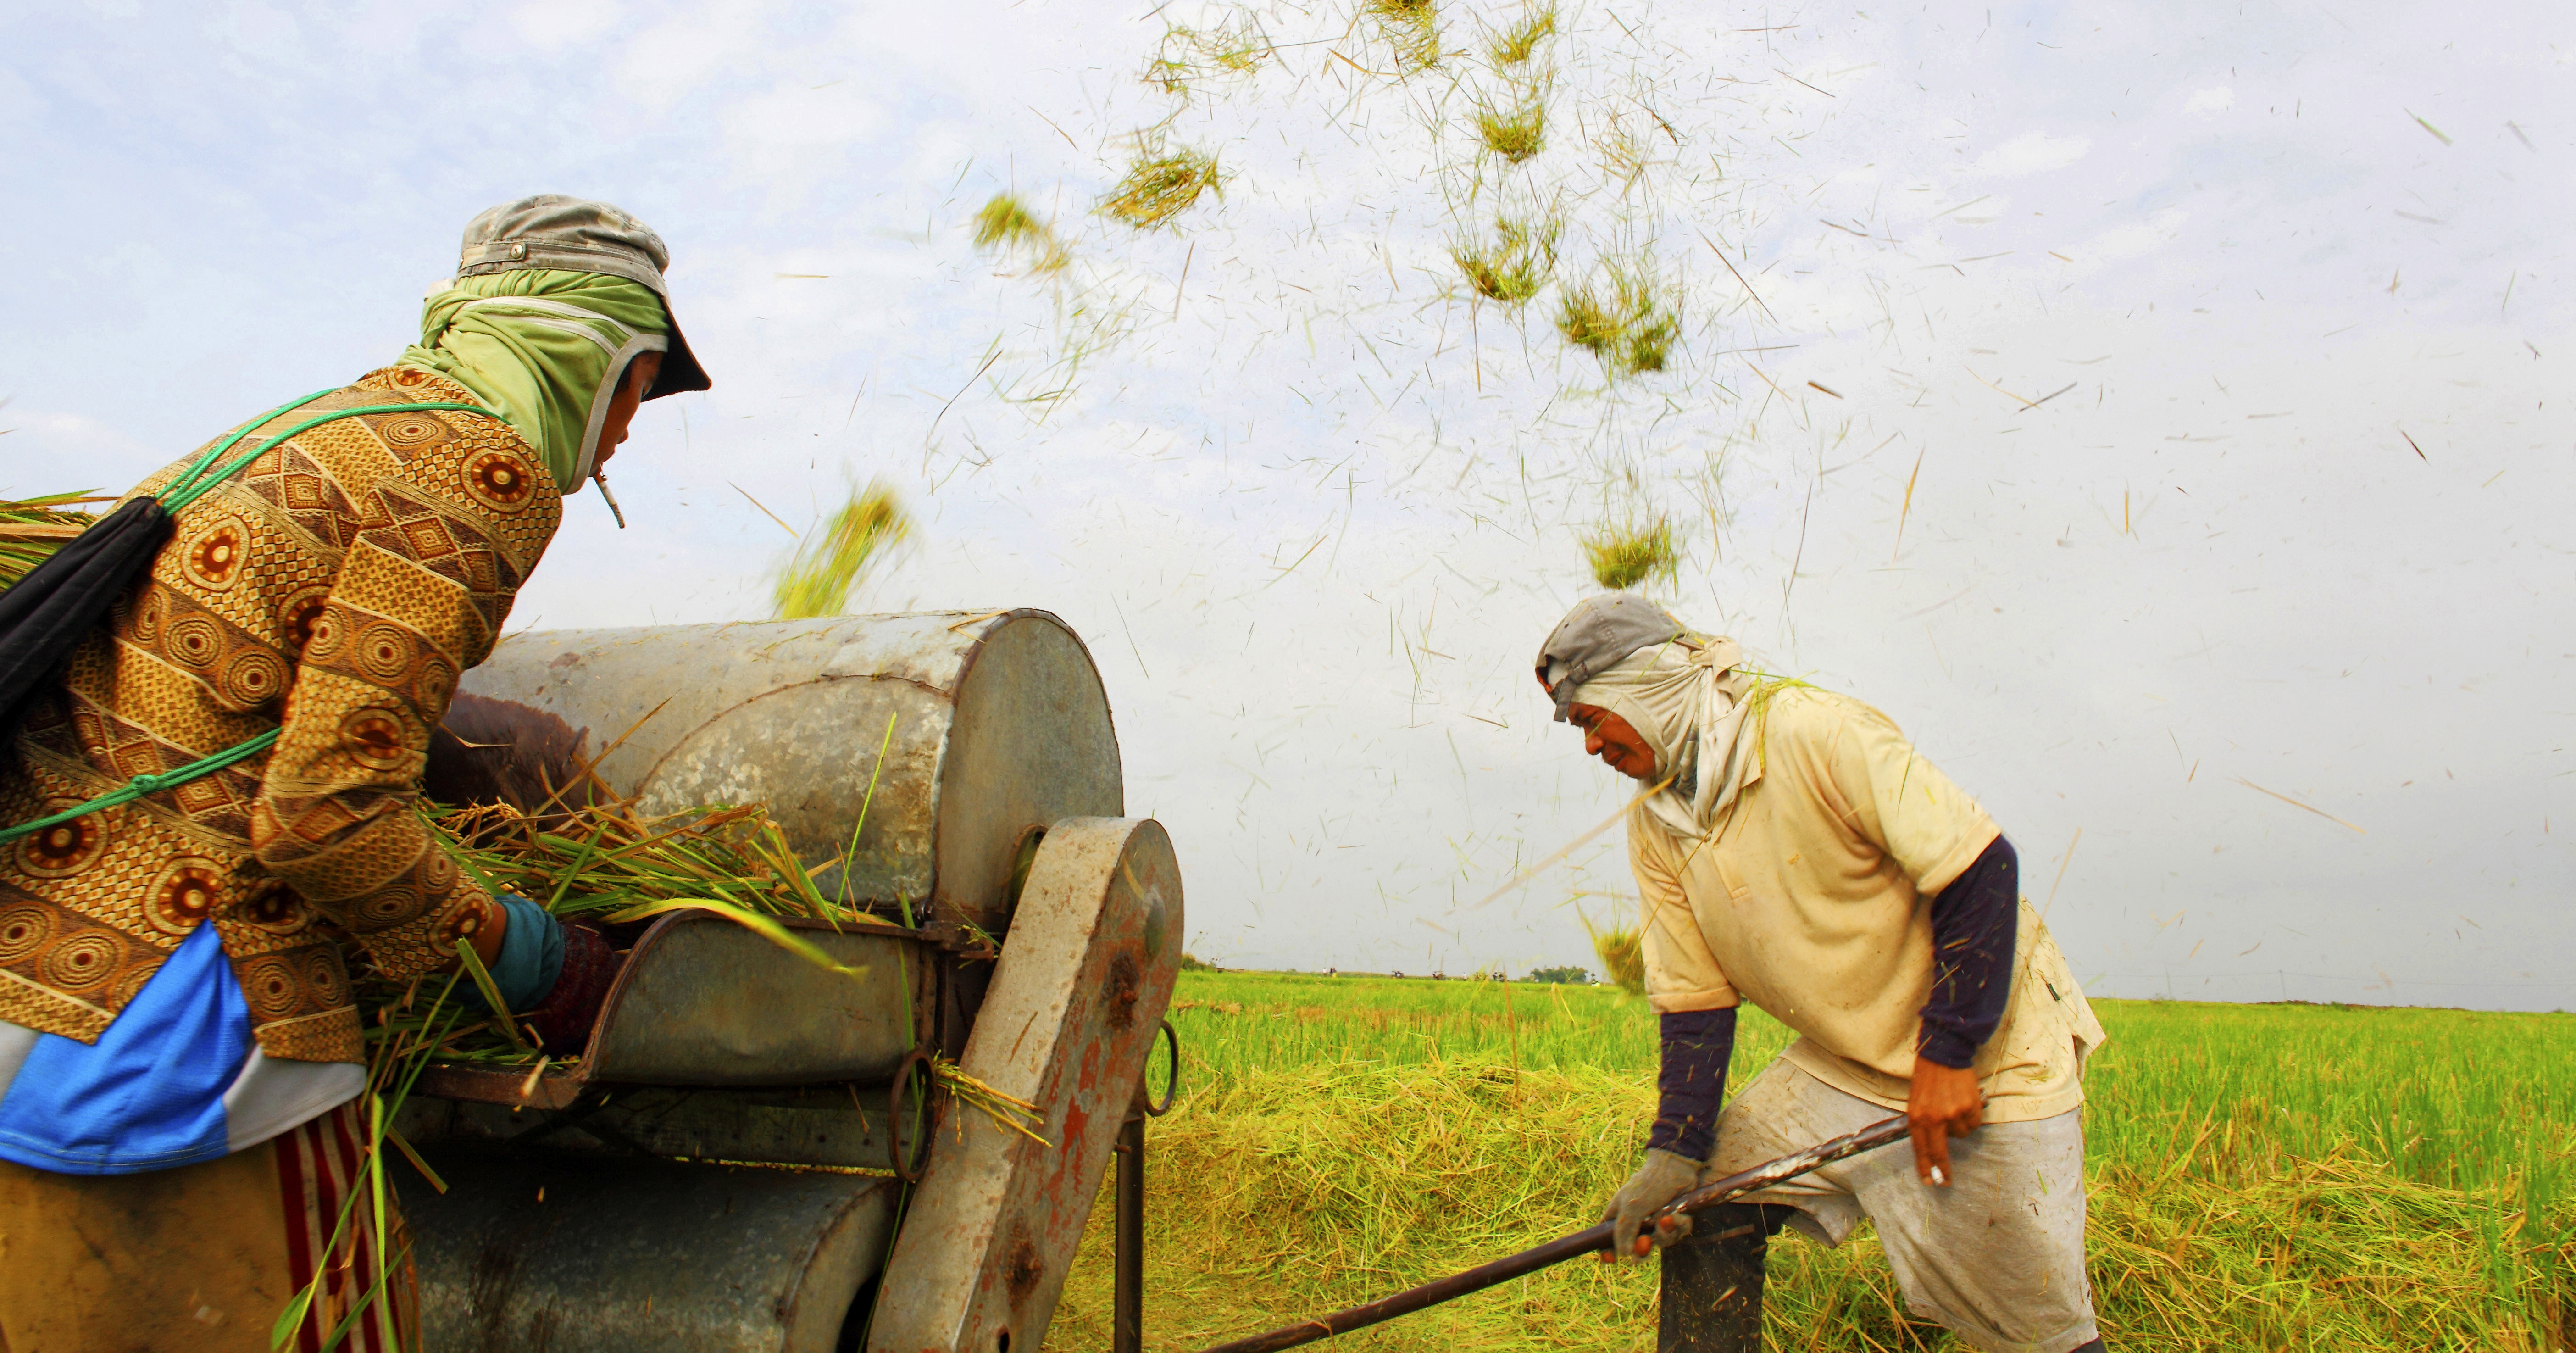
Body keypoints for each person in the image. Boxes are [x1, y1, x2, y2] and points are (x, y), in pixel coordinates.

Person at [0, 195, 711, 1351]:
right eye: (641, 384)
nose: (631, 427)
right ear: (587, 357)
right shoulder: (481, 466)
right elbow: (324, 813)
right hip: (180, 1023)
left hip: (32, 980)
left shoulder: (309, 430)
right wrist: (530, 958)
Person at [1536, 594, 2108, 1353]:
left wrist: (1948, 1053)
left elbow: (1980, 868)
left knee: (2035, 1327)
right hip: (1850, 1064)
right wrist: (1673, 1152)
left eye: (1590, 718)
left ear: (1643, 686)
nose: (1590, 747)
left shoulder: (1813, 730)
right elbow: (1697, 1002)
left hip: (1991, 1048)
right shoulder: (1657, 824)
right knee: (1709, 1198)